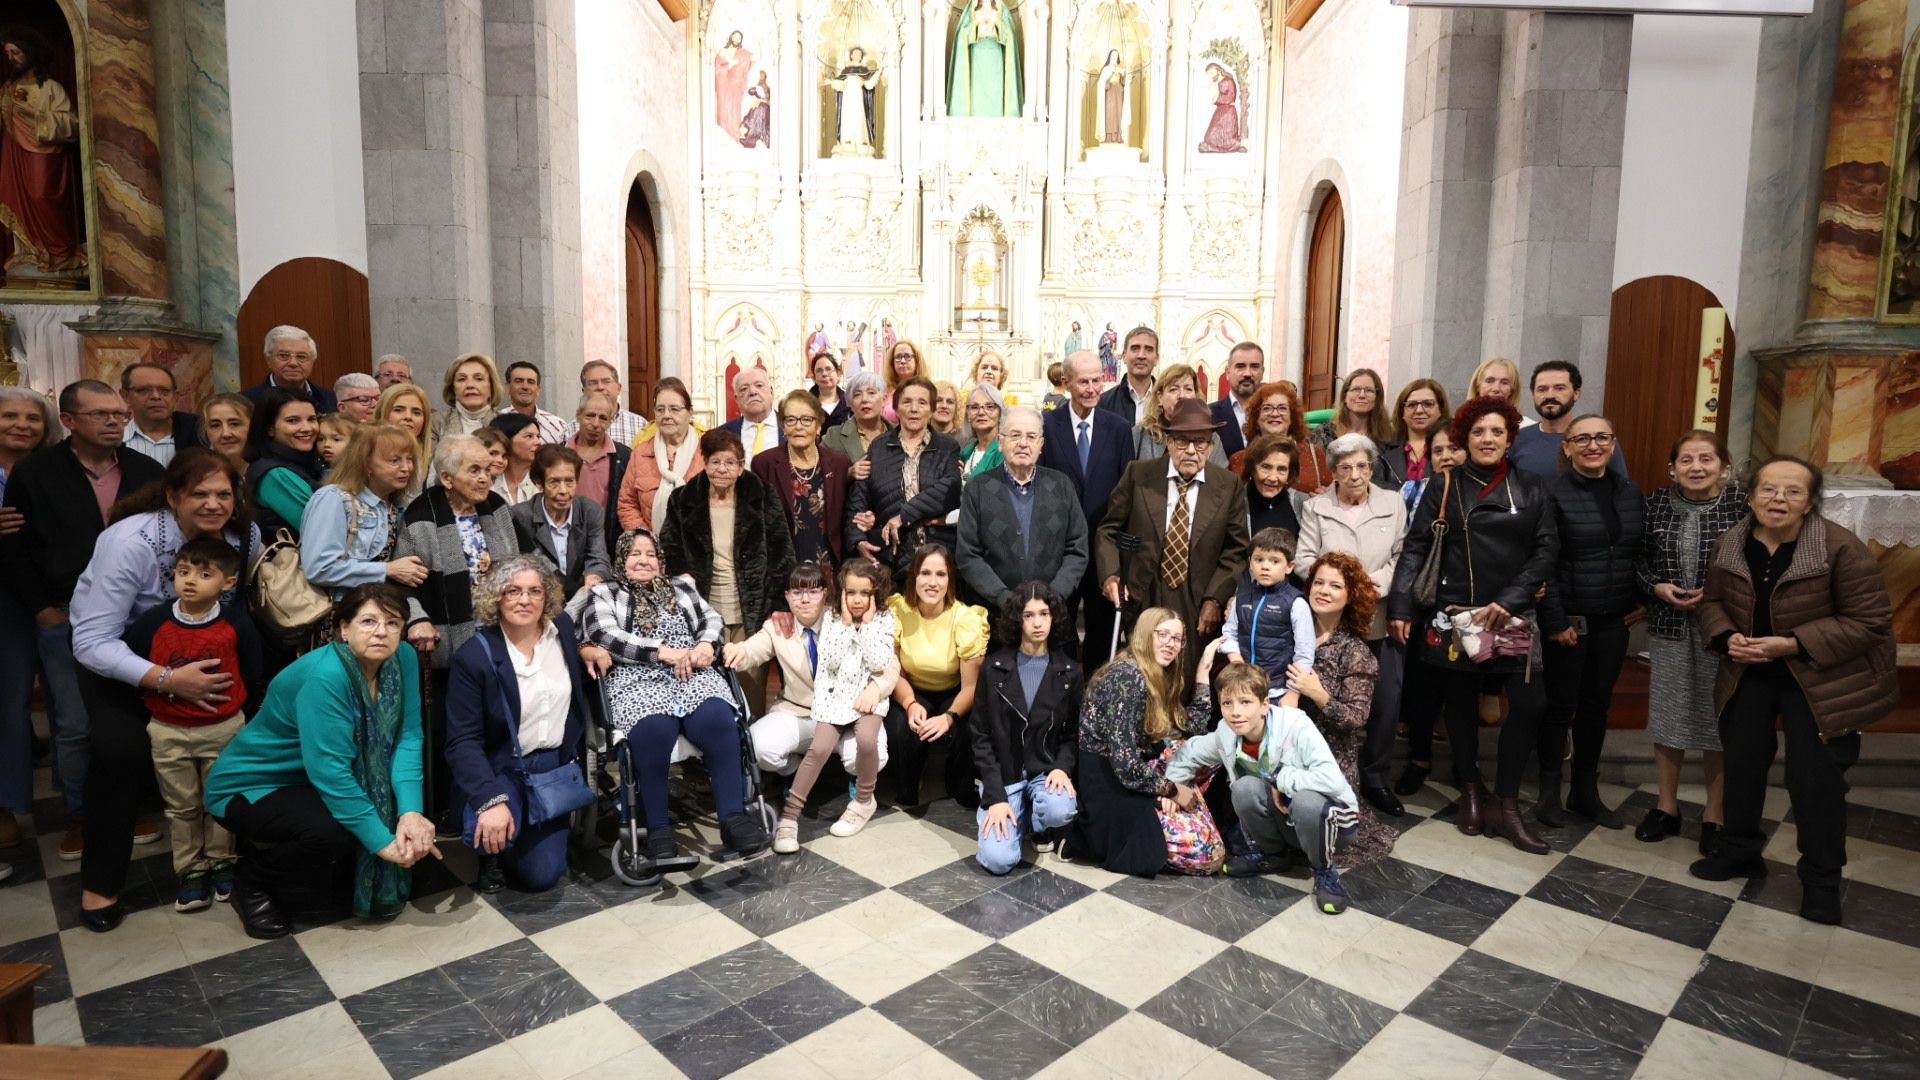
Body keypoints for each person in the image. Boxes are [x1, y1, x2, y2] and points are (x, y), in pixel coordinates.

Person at [1691, 456, 1896, 925]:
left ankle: (1822, 881)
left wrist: (1794, 643)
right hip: (1749, 672)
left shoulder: (1840, 549)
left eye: (1792, 492)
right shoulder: (1732, 542)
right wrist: (1726, 637)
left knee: (1815, 780)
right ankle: (1740, 851)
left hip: (1820, 679)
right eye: (1768, 490)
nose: (1778, 500)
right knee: (1741, 767)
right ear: (1750, 495)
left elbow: (1870, 622)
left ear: (1810, 503)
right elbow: (1715, 600)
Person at [69, 450, 261, 931]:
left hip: (208, 663)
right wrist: (167, 680)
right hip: (125, 663)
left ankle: (234, 860)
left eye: (224, 493)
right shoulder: (129, 542)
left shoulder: (245, 536)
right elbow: (92, 641)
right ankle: (101, 885)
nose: (214, 504)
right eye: (200, 493)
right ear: (173, 496)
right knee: (120, 752)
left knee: (256, 736)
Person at [206, 584, 438, 937]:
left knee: (387, 802)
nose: (381, 632)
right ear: (342, 628)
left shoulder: (403, 657)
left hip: (311, 779)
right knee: (330, 832)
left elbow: (408, 738)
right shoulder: (325, 676)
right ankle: (253, 880)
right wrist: (381, 842)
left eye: (393, 623)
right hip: (253, 785)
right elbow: (331, 774)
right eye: (368, 621)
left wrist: (410, 811)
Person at [1386, 396, 1557, 855]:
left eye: (1497, 432)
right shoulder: (1445, 486)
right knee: (1458, 705)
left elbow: (1546, 551)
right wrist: (1401, 604)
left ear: (1509, 438)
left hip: (1513, 613)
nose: (1487, 439)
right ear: (1464, 438)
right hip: (1456, 613)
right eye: (1479, 432)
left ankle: (1507, 801)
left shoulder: (1533, 487)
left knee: (1530, 702)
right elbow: (1416, 549)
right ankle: (1471, 790)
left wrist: (1510, 598)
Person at [2, 380, 165, 863]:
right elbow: (15, 546)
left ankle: (130, 806)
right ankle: (80, 814)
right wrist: (42, 609)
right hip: (65, 612)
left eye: (119, 413)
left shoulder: (145, 469)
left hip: (134, 616)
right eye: (101, 415)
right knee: (73, 722)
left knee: (130, 716)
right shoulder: (37, 472)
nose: (115, 421)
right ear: (70, 421)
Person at [579, 529, 772, 866]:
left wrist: (703, 646)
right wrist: (663, 652)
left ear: (660, 559)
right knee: (653, 729)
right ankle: (658, 830)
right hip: (637, 678)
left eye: (650, 554)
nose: (643, 560)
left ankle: (734, 818)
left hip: (692, 673)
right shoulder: (603, 593)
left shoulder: (680, 588)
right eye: (634, 554)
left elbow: (712, 620)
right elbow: (605, 635)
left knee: (717, 719)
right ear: (621, 560)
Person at [122, 537, 264, 912]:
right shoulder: (153, 622)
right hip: (167, 730)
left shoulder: (235, 623)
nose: (190, 581)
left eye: (204, 574)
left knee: (219, 798)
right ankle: (190, 870)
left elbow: (251, 670)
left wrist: (236, 711)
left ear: (228, 583)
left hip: (222, 727)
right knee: (181, 806)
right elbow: (136, 668)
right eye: (184, 571)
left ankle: (222, 862)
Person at [445, 556, 591, 894]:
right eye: (513, 591)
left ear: (546, 598)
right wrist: (489, 800)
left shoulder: (563, 632)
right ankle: (492, 847)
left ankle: (522, 832)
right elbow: (462, 740)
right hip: (502, 766)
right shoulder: (474, 656)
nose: (524, 600)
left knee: (542, 877)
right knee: (485, 830)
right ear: (496, 597)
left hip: (551, 765)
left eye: (534, 591)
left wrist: (590, 651)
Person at [395, 435, 519, 822]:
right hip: (450, 643)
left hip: (500, 634)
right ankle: (455, 804)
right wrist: (417, 618)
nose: (486, 478)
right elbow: (402, 585)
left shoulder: (497, 508)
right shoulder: (420, 517)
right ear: (447, 478)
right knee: (457, 729)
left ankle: (502, 790)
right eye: (475, 470)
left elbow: (519, 563)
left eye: (488, 469)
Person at [736, 559, 898, 851]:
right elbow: (828, 658)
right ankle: (789, 814)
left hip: (862, 703)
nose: (805, 598)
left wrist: (874, 684)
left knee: (868, 745)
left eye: (812, 591)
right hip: (814, 708)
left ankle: (862, 796)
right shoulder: (809, 622)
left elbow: (884, 664)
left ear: (826, 592)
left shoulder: (873, 617)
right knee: (805, 749)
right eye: (797, 592)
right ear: (786, 596)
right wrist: (734, 650)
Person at [1167, 663, 1355, 913]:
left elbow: (1332, 780)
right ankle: (1274, 856)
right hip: (1290, 824)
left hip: (1333, 823)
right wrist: (1174, 785)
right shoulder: (1228, 732)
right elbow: (1190, 752)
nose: (1235, 712)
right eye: (1227, 703)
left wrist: (1281, 779)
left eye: (1245, 702)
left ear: (1265, 705)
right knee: (1244, 787)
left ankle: (1324, 871)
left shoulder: (1295, 725)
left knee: (1305, 801)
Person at [1635, 429, 1746, 852]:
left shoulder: (1741, 506)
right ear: (1672, 468)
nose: (1696, 467)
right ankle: (1666, 807)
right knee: (1669, 714)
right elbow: (1638, 558)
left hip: (1723, 628)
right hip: (1668, 624)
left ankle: (1715, 813)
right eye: (1686, 460)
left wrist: (1715, 594)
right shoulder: (1656, 503)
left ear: (1723, 466)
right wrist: (1656, 586)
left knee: (1716, 717)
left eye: (1706, 459)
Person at [1536, 414, 1643, 830]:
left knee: (1597, 707)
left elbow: (1637, 549)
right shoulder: (1552, 493)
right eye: (1582, 438)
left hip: (1613, 619)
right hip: (1570, 621)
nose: (1592, 445)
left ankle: (1585, 791)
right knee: (1560, 706)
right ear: (1567, 447)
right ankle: (1549, 793)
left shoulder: (1630, 492)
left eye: (1601, 437)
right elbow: (1546, 560)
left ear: (1612, 444)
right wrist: (1555, 618)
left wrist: (1642, 599)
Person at [1295, 432, 1410, 816]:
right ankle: (1330, 773)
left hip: (1378, 615)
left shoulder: (1393, 503)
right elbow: (1303, 559)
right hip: (1331, 623)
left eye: (1363, 466)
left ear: (1372, 467)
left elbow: (1403, 555)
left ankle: (1375, 777)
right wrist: (1335, 584)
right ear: (1334, 472)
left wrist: (1376, 584)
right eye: (1346, 467)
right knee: (1331, 702)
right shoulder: (1317, 508)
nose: (1356, 474)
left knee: (1386, 701)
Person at [1098, 399, 1251, 684]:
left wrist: (1215, 598)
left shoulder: (1228, 484)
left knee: (1187, 678)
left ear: (1212, 446)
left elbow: (1237, 550)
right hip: (1145, 592)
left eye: (1200, 442)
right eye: (1182, 441)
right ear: (1168, 442)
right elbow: (1108, 529)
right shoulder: (1138, 474)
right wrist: (1111, 575)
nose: (1191, 450)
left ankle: (1182, 729)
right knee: (1142, 676)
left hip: (1196, 599)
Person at [659, 429, 797, 716]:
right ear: (704, 462)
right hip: (703, 610)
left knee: (751, 690)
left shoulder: (761, 495)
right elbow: (670, 551)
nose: (722, 469)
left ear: (742, 464)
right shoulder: (683, 499)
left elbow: (782, 553)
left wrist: (778, 605)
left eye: (730, 462)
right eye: (715, 462)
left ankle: (749, 753)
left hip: (751, 610)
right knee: (707, 687)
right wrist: (683, 576)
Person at [1072, 607, 1217, 876]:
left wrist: (1203, 671)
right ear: (1144, 635)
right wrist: (1170, 790)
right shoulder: (1126, 676)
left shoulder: (1157, 675)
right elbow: (1124, 763)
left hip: (1137, 771)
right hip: (1107, 779)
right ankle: (1080, 835)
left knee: (1204, 751)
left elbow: (1192, 727)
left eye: (1177, 638)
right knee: (1196, 850)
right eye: (1163, 634)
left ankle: (1167, 810)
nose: (1170, 644)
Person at [1289, 552, 1397, 868]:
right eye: (1318, 582)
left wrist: (1318, 695)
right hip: (1285, 753)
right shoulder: (1289, 632)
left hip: (1329, 761)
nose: (1323, 590)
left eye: (1335, 586)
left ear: (1351, 597)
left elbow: (1356, 719)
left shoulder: (1356, 653)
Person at [972, 583, 1082, 874]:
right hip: (1004, 778)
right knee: (999, 861)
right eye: (1028, 615)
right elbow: (980, 737)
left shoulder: (1070, 672)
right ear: (1017, 620)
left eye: (1044, 613)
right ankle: (1010, 818)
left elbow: (1072, 734)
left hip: (1043, 773)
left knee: (1062, 808)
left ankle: (1032, 819)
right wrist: (996, 798)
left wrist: (1061, 767)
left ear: (1053, 617)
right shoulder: (993, 668)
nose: (1037, 622)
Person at [1041, 351, 1135, 666]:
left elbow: (1127, 489)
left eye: (1098, 380)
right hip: (1059, 551)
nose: (1092, 388)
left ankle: (1095, 703)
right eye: (1084, 382)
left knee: (1102, 634)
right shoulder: (1047, 425)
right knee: (1059, 631)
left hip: (1103, 553)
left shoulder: (1119, 428)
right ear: (1066, 383)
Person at [1393, 426, 1466, 798]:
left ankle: (1465, 769)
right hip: (1427, 603)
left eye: (1454, 448)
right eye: (1438, 451)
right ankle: (1418, 760)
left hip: (1471, 606)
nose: (1446, 456)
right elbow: (1409, 551)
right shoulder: (1415, 491)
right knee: (1421, 687)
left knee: (1462, 691)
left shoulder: (1482, 491)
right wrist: (1402, 606)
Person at [885, 544, 989, 806]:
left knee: (969, 728)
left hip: (955, 690)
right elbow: (893, 673)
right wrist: (910, 704)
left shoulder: (966, 619)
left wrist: (949, 717)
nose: (932, 582)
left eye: (940, 575)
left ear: (950, 579)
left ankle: (959, 786)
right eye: (925, 573)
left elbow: (971, 687)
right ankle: (908, 784)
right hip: (911, 687)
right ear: (914, 578)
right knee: (898, 728)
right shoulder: (898, 612)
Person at [956, 405, 1088, 611]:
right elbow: (968, 554)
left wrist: (1053, 597)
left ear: (1041, 444)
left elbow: (1077, 548)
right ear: (1000, 442)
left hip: (1051, 615)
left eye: (1031, 436)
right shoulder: (978, 489)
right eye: (1015, 435)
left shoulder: (1061, 485)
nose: (1023, 444)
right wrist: (1005, 599)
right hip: (994, 615)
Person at [0, 387, 56, 848]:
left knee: (68, 707)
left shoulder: (54, 471)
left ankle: (75, 798)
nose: (22, 425)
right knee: (10, 706)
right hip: (5, 605)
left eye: (32, 418)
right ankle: (7, 805)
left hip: (53, 599)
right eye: (10, 416)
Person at [300, 422, 428, 599]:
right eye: (395, 460)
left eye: (410, 459)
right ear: (366, 463)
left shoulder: (399, 507)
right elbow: (319, 568)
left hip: (382, 612)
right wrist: (387, 570)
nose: (406, 468)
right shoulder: (334, 498)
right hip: (339, 615)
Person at [849, 377, 960, 574]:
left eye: (922, 402)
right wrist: (857, 539)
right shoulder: (879, 447)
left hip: (938, 554)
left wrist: (903, 515)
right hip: (891, 555)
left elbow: (950, 488)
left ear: (931, 410)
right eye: (907, 402)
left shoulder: (947, 447)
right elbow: (858, 499)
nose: (914, 409)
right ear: (896, 408)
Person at [753, 390, 853, 569]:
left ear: (819, 426)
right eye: (790, 420)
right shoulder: (764, 464)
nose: (798, 426)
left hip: (831, 566)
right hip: (785, 568)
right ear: (783, 426)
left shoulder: (839, 463)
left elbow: (848, 514)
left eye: (806, 419)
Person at [1217, 527, 1313, 708]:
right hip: (1243, 689)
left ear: (1290, 567)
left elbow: (1304, 653)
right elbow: (1229, 632)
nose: (1265, 566)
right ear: (1250, 562)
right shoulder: (1242, 597)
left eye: (1274, 561)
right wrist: (1236, 661)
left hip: (1278, 692)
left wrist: (1293, 694)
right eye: (1258, 559)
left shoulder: (1296, 603)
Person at [511, 445, 611, 599]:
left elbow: (598, 556)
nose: (563, 490)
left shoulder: (590, 511)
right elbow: (531, 565)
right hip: (539, 597)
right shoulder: (521, 516)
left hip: (582, 594)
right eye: (554, 482)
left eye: (569, 481)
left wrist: (593, 576)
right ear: (539, 483)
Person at [616, 377, 703, 533]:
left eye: (674, 409)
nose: (666, 415)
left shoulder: (707, 452)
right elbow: (627, 503)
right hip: (650, 549)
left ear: (690, 413)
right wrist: (646, 539)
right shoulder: (640, 453)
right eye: (660, 409)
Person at [1511, 361, 1624, 479]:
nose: (1550, 395)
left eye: (1559, 388)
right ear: (1533, 394)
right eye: (1542, 389)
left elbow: (1622, 491)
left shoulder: (1598, 441)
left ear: (1576, 393)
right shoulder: (1518, 439)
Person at [243, 388, 323, 539]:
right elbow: (324, 529)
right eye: (293, 421)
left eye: (312, 419)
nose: (307, 428)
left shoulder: (309, 461)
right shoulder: (274, 474)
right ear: (270, 429)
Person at [1230, 381, 1330, 494]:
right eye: (1267, 408)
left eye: (1282, 408)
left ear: (1293, 417)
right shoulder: (1238, 460)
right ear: (1256, 417)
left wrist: (1326, 498)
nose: (1275, 414)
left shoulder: (1315, 454)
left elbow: (1333, 495)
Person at [567, 392, 631, 552]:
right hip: (566, 541)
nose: (596, 423)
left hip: (608, 544)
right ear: (578, 415)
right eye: (590, 415)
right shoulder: (560, 454)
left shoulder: (623, 457)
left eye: (603, 418)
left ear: (611, 421)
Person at [1133, 363, 1228, 466]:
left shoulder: (1211, 437)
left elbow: (1220, 477)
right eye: (1174, 389)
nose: (1182, 396)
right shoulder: (1141, 434)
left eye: (1188, 389)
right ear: (1160, 397)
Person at [1375, 378, 1450, 492]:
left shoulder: (1454, 449)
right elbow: (1375, 489)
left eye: (1428, 404)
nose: (1419, 410)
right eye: (1412, 405)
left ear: (1441, 409)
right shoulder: (1383, 450)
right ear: (1402, 412)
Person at [120, 363, 200, 466]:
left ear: (175, 397)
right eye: (144, 390)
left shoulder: (200, 436)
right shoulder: (114, 443)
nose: (156, 396)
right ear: (125, 396)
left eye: (164, 391)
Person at [242, 326, 338, 412]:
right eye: (283, 356)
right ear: (268, 360)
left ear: (313, 361)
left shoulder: (332, 400)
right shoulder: (244, 402)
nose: (293, 363)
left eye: (301, 357)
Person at [375, 382, 435, 507]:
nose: (408, 417)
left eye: (416, 412)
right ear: (382, 413)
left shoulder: (434, 462)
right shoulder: (364, 454)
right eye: (398, 410)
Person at [821, 370, 893, 469]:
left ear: (884, 400)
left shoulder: (899, 433)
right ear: (850, 403)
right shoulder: (834, 436)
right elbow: (820, 472)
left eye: (871, 393)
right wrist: (848, 473)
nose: (864, 399)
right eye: (857, 395)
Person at [1311, 369, 1395, 452]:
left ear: (1377, 398)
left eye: (1369, 390)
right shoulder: (1324, 434)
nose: (1362, 395)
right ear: (1344, 396)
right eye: (1355, 389)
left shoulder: (1388, 437)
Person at [1241, 434, 1306, 536]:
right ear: (1252, 469)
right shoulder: (1235, 503)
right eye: (1266, 467)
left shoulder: (1303, 503)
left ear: (1290, 474)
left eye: (1281, 469)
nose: (1272, 478)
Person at [1211, 342, 1265, 458]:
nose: (1247, 373)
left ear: (1262, 372)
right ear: (1227, 372)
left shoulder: (1274, 414)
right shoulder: (1209, 414)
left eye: (1254, 367)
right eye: (1240, 366)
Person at [1097, 325, 1160, 424]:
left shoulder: (1167, 403)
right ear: (1124, 356)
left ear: (1156, 358)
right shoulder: (1103, 403)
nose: (1141, 356)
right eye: (1135, 349)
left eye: (1148, 349)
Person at [577, 360, 647, 448]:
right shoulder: (571, 430)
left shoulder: (641, 426)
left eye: (606, 381)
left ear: (618, 388)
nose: (600, 387)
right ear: (584, 392)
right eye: (593, 383)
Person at [499, 361, 570, 444]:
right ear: (507, 388)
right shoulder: (496, 423)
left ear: (538, 390)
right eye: (518, 381)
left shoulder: (558, 426)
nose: (525, 386)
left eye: (531, 382)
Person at [722, 366, 781, 460]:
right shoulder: (723, 434)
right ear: (736, 399)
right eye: (744, 389)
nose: (752, 392)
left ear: (772, 392)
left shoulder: (792, 427)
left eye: (759, 385)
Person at [441, 352, 506, 439]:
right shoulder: (436, 423)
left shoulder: (506, 424)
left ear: (491, 387)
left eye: (479, 379)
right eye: (461, 379)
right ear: (453, 389)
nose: (470, 385)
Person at [488, 412, 542, 506]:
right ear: (506, 440)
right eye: (529, 436)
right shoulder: (488, 481)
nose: (538, 442)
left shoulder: (542, 481)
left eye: (538, 436)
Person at [958, 383, 1005, 482]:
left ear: (1000, 413)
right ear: (968, 414)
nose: (981, 412)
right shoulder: (966, 452)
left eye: (990, 407)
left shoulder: (1005, 451)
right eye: (974, 407)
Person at [881, 339, 930, 422]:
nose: (903, 361)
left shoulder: (928, 390)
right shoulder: (884, 390)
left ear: (917, 360)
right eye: (898, 357)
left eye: (907, 356)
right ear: (892, 362)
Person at [199, 393, 252, 469]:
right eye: (216, 425)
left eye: (234, 424)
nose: (225, 434)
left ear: (253, 426)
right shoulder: (197, 475)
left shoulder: (270, 473)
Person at [809, 352, 852, 429]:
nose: (824, 374)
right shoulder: (805, 403)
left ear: (838, 374)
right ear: (814, 378)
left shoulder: (850, 403)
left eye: (828, 369)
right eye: (819, 370)